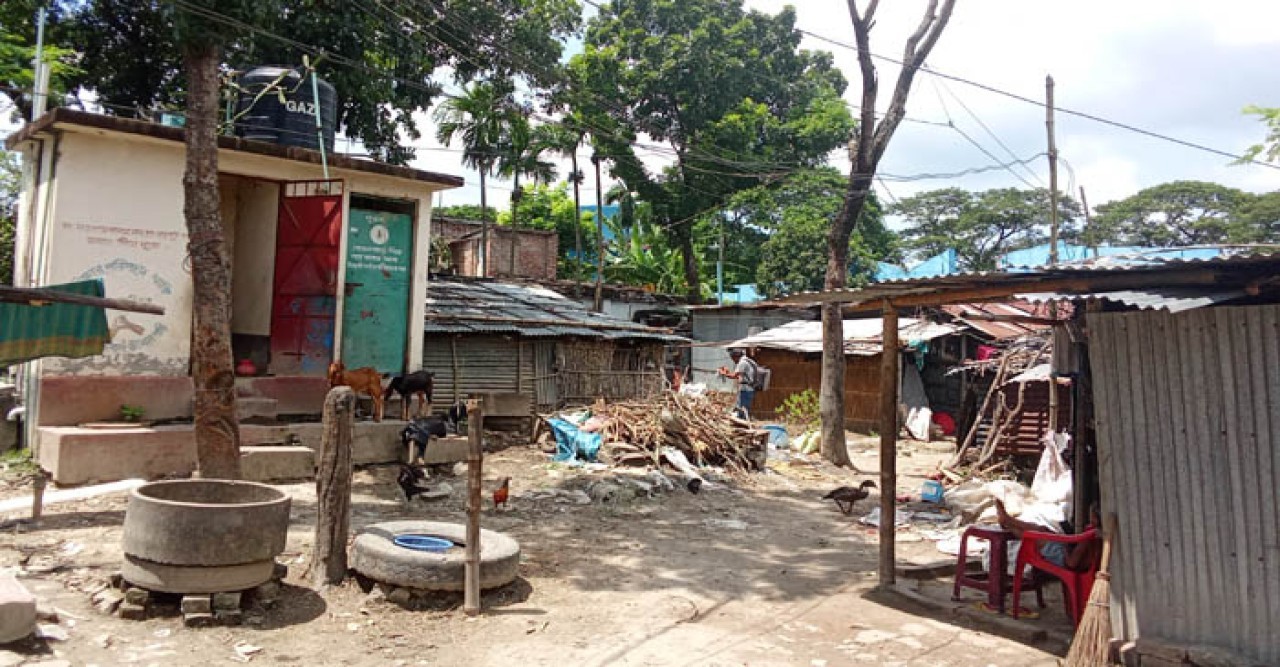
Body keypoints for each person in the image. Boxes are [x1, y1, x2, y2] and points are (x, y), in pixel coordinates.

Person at [993, 498, 1101, 572]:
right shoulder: (1093, 531)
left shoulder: (1092, 533)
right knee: (1042, 530)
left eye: (1091, 515)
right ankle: (1008, 523)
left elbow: (1072, 562)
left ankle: (1008, 521)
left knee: (1036, 537)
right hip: (1065, 550)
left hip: (1064, 559)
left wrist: (1066, 548)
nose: (1089, 518)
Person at [718, 348, 757, 419]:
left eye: (733, 358)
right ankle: (742, 421)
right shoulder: (748, 360)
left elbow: (734, 375)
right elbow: (738, 376)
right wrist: (727, 373)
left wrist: (723, 373)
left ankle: (743, 423)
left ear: (736, 356)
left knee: (743, 410)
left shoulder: (742, 363)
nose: (733, 361)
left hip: (746, 390)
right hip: (748, 389)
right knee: (742, 408)